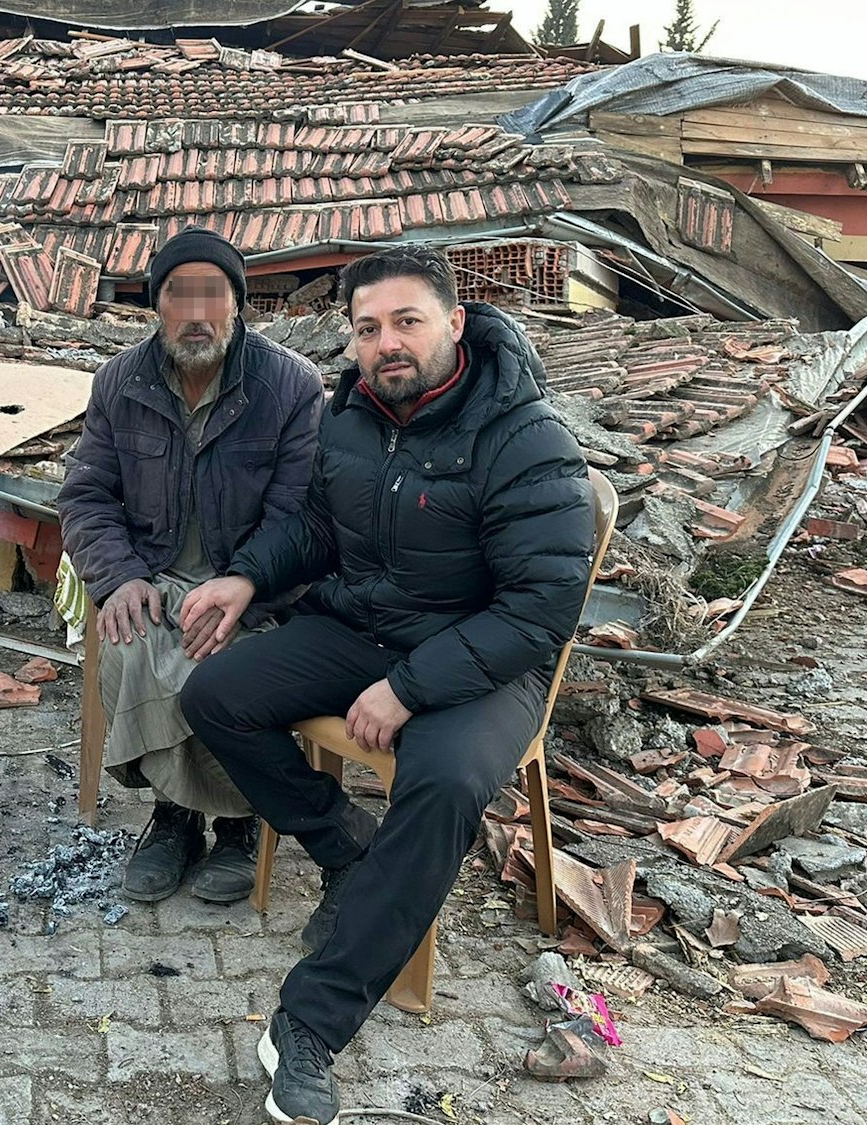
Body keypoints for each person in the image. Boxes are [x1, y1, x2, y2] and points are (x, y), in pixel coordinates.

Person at [177, 245, 595, 1124]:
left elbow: (538, 611)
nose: (386, 343)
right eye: (368, 328)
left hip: (487, 661)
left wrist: (407, 689)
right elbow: (316, 529)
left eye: (406, 321)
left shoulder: (525, 437)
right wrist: (249, 576)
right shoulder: (354, 416)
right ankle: (346, 848)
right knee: (215, 695)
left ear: (456, 322)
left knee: (442, 785)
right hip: (369, 627)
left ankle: (311, 1022)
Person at [59, 228, 322, 905]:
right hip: (151, 575)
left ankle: (235, 822)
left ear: (238, 305)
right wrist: (117, 576)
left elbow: (300, 517)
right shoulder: (120, 382)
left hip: (257, 587)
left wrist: (245, 584)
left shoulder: (290, 386)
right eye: (181, 296)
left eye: (215, 296)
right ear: (156, 306)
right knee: (129, 642)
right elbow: (86, 495)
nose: (198, 315)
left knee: (220, 661)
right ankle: (176, 819)